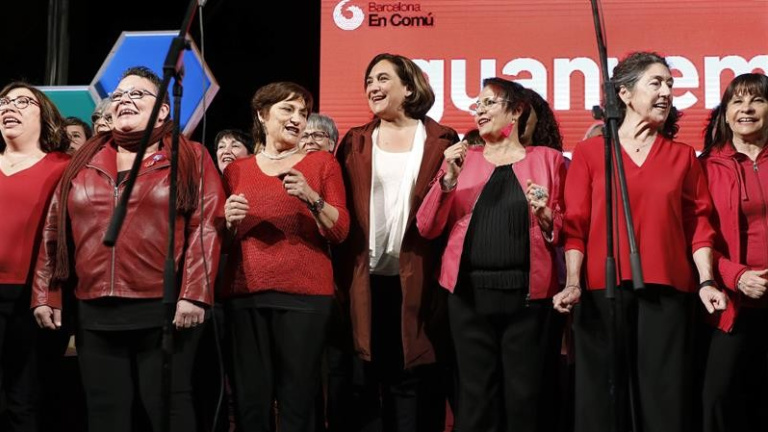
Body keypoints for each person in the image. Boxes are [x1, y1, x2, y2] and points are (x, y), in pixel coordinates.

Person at [30, 66, 225, 432]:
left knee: (167, 409)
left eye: (137, 94)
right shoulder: (84, 161)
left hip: (165, 307)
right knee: (105, 413)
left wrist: (195, 294)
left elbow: (206, 226)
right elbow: (54, 231)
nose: (125, 101)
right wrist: (46, 293)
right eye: (119, 95)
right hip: (94, 308)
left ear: (163, 110)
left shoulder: (190, 157)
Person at [557, 51, 727, 432]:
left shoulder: (683, 156)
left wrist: (706, 280)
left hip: (668, 290)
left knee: (663, 401)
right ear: (625, 93)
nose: (667, 92)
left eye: (670, 84)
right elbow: (575, 225)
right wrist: (572, 282)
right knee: (601, 402)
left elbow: (699, 225)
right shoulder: (590, 153)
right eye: (656, 83)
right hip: (601, 291)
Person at [416, 77, 566, 432]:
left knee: (524, 398)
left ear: (516, 111)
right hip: (468, 297)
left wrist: (545, 214)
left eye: (489, 103)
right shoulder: (462, 160)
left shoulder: (549, 160)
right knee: (475, 398)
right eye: (477, 105)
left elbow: (564, 228)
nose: (479, 111)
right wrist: (448, 181)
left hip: (528, 299)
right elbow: (426, 226)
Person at [333, 52, 458, 432]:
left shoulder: (440, 140)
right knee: (366, 378)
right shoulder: (355, 141)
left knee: (413, 378)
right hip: (363, 277)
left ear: (409, 87)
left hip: (419, 276)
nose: (373, 86)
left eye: (383, 78)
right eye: (369, 81)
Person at [221, 81, 349, 432]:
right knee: (250, 404)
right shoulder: (236, 170)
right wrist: (228, 223)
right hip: (246, 297)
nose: (297, 119)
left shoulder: (322, 164)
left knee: (299, 404)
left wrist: (311, 197)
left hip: (305, 299)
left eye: (303, 113)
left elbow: (340, 231)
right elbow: (224, 244)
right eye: (288, 109)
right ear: (262, 115)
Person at [699, 73, 768, 432]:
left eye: (757, 100)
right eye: (737, 101)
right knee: (719, 399)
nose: (747, 109)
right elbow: (696, 237)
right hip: (731, 303)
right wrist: (736, 276)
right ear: (725, 113)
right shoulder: (706, 166)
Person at [0, 82, 70, 432]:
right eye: (4, 102)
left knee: (23, 399)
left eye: (23, 101)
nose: (9, 107)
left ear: (45, 117)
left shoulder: (64, 167)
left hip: (31, 297)